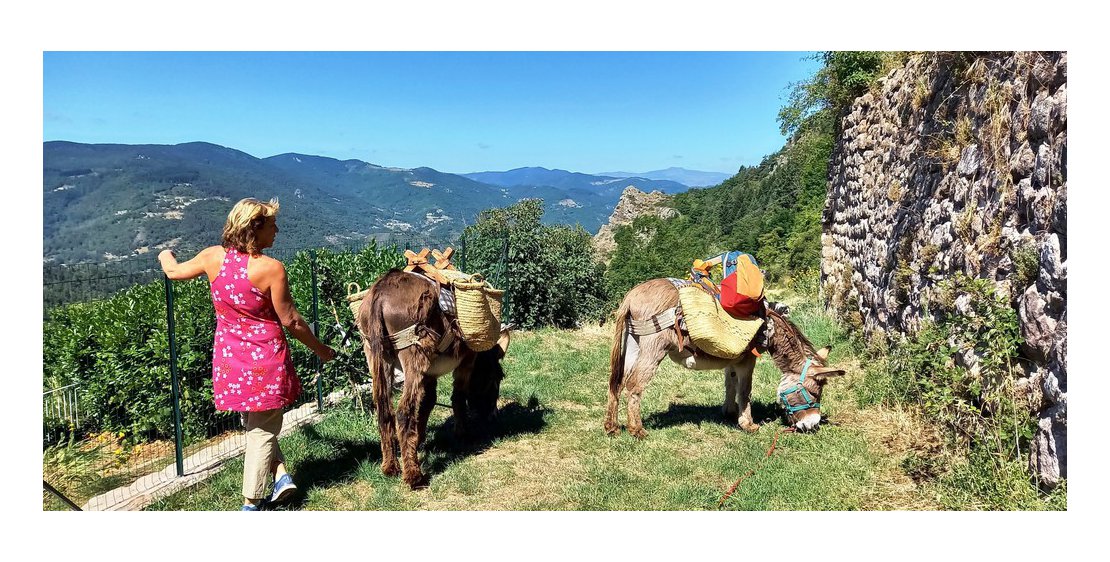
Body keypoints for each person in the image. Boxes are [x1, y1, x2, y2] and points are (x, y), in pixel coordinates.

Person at [158, 197, 335, 510]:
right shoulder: (270, 269)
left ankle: (280, 475)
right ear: (255, 229)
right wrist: (322, 350)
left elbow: (173, 272)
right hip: (265, 360)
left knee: (255, 424)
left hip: (230, 360)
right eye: (271, 224)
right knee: (262, 432)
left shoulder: (212, 257)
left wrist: (164, 254)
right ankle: (251, 503)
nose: (277, 230)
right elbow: (292, 321)